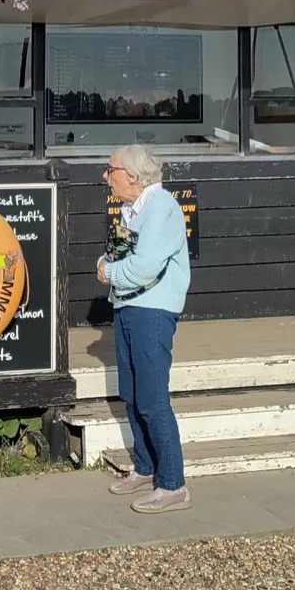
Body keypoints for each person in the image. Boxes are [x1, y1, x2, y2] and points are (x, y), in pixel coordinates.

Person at [97, 143, 192, 513]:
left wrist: (108, 272)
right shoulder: (130, 209)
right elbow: (118, 253)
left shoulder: (161, 207)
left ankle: (173, 485)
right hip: (127, 305)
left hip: (152, 311)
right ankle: (145, 467)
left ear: (133, 176)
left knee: (152, 398)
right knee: (131, 393)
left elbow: (144, 266)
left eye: (111, 169)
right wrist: (108, 264)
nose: (106, 176)